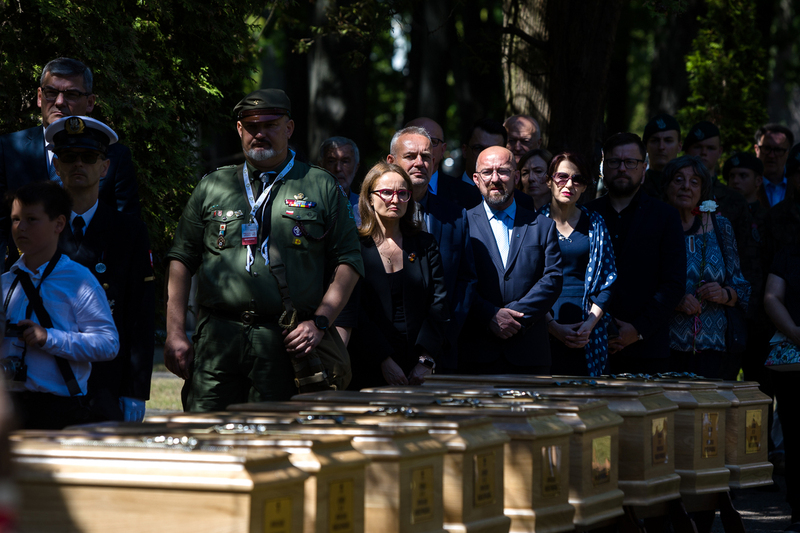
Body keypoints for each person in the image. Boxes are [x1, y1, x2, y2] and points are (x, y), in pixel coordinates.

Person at [164, 89, 363, 411]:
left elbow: (349, 261)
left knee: (273, 442)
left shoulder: (319, 185)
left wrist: (321, 322)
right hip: (217, 339)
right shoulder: (213, 185)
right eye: (251, 125)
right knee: (204, 435)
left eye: (270, 125)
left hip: (283, 341)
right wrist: (174, 333)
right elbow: (181, 260)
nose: (260, 133)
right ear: (240, 130)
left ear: (289, 128)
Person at [47, 116, 155, 422]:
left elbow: (139, 315)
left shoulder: (129, 231)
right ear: (57, 166)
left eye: (89, 157)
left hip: (107, 381)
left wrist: (135, 389)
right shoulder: (39, 228)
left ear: (104, 167)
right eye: (69, 157)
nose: (78, 164)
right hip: (50, 381)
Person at [0, 57, 141, 267]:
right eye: (50, 93)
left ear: (90, 102)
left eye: (72, 94)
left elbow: (127, 230)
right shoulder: (8, 149)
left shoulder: (114, 156)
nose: (59, 102)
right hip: (26, 278)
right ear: (39, 97)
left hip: (93, 277)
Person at [2, 181, 118, 429]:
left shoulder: (79, 281)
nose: (20, 227)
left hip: (59, 412)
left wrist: (49, 338)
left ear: (59, 224)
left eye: (31, 219)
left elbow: (108, 344)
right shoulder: (4, 283)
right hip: (8, 408)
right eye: (15, 219)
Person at [339, 162, 448, 389]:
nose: (395, 199)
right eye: (387, 192)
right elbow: (355, 310)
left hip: (420, 368)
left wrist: (425, 360)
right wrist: (383, 360)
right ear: (369, 198)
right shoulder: (354, 246)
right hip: (368, 365)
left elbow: (439, 304)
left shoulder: (425, 245)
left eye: (402, 193)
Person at [587, 132, 685, 375]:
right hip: (589, 344)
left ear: (644, 167)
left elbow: (673, 285)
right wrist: (596, 326)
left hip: (647, 348)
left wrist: (637, 329)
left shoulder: (666, 217)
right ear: (603, 166)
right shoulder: (585, 215)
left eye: (630, 162)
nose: (622, 168)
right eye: (614, 162)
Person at [458, 146, 562, 375]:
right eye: (487, 172)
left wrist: (513, 317)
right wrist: (490, 316)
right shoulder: (460, 224)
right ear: (476, 179)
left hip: (529, 355)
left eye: (503, 171)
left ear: (516, 177)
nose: (495, 179)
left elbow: (552, 279)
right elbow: (457, 280)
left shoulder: (543, 226)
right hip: (476, 354)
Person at [386, 126, 475, 373]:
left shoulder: (456, 215)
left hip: (442, 352)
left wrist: (437, 340)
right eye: (410, 156)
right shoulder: (367, 216)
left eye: (426, 156)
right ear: (391, 161)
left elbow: (465, 281)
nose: (420, 163)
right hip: (385, 354)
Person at [662, 156, 750, 379]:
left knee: (708, 413)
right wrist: (674, 299)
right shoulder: (656, 226)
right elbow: (643, 283)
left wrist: (723, 294)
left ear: (703, 189)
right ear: (667, 186)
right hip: (663, 347)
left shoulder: (721, 227)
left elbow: (742, 287)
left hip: (714, 350)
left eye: (694, 182)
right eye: (678, 180)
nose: (685, 187)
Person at [540, 153, 617, 376]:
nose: (569, 184)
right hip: (544, 323)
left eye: (578, 179)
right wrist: (553, 327)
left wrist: (589, 325)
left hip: (589, 327)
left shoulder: (596, 223)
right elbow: (527, 281)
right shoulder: (533, 224)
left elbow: (608, 279)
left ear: (584, 187)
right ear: (548, 181)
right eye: (562, 177)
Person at [763, 244, 800, 525]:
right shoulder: (788, 252)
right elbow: (772, 296)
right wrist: (794, 332)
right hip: (793, 357)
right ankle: (799, 512)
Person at [319, 136, 361, 225]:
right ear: (321, 166)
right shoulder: (310, 202)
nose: (338, 168)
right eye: (331, 161)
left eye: (345, 161)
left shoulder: (366, 209)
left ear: (356, 167)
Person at [641, 113, 681, 199]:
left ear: (679, 146)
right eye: (655, 141)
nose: (661, 147)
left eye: (668, 141)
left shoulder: (687, 187)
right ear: (645, 146)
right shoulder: (635, 186)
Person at [754, 124, 794, 207]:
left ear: (789, 153)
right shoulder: (746, 185)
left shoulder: (796, 184)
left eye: (778, 150)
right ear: (757, 150)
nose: (771, 155)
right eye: (767, 148)